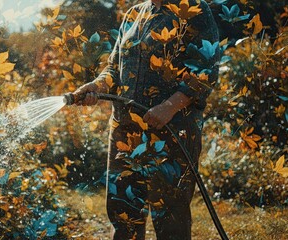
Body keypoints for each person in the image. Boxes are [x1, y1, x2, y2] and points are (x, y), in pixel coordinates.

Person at [71, 0, 219, 239]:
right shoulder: (134, 14)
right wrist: (96, 86)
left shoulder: (192, 10)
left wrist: (169, 107)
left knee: (171, 218)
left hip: (172, 133)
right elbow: (113, 68)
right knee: (124, 216)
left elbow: (206, 70)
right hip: (125, 132)